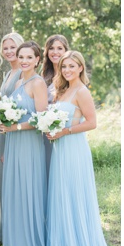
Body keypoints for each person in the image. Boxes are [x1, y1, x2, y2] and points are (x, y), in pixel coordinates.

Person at [46, 51, 119, 246]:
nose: (67, 70)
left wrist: (65, 131)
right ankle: (63, 244)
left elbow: (91, 122)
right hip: (60, 149)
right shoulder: (62, 90)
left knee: (74, 192)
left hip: (74, 148)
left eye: (72, 66)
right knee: (62, 193)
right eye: (64, 66)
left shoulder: (82, 91)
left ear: (80, 68)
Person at [0, 41, 48, 246]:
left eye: (29, 57)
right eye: (22, 57)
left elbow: (41, 119)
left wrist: (15, 127)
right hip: (13, 141)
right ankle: (14, 244)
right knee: (14, 189)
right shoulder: (18, 80)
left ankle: (28, 245)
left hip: (28, 142)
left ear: (37, 60)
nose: (25, 61)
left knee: (28, 189)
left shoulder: (38, 83)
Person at [0, 31, 24, 242]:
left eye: (13, 47)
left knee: (18, 181)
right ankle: (7, 231)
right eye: (5, 48)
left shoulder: (24, 74)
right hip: (4, 131)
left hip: (19, 133)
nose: (9, 51)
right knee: (5, 179)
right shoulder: (7, 74)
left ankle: (19, 231)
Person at [41, 34, 70, 176]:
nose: (55, 52)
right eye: (51, 48)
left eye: (60, 48)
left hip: (63, 131)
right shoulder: (43, 77)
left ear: (66, 51)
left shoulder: (70, 75)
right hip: (44, 132)